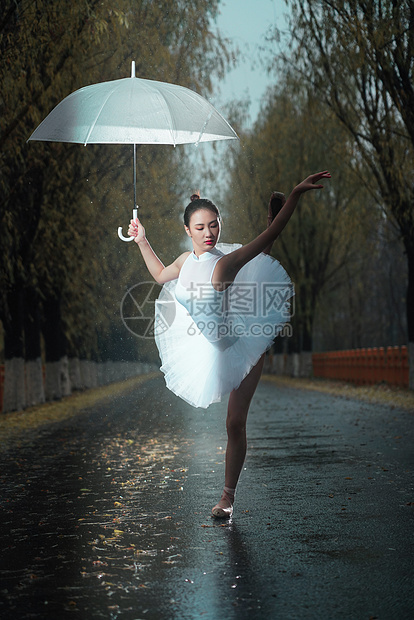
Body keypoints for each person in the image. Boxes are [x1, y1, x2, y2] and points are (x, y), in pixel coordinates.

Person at [128, 171, 331, 518]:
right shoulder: (184, 261)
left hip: (243, 343)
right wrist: (141, 240)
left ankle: (227, 497)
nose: (209, 233)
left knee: (234, 423)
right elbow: (161, 275)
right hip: (209, 348)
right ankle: (227, 495)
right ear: (187, 231)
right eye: (200, 227)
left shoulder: (223, 263)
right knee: (254, 263)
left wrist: (296, 194)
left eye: (214, 225)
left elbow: (271, 236)